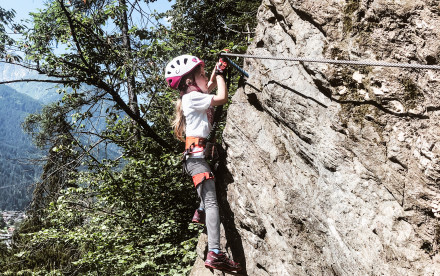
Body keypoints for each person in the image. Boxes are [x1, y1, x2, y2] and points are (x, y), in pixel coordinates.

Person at [165, 55, 242, 272]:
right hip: (197, 160)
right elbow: (222, 97)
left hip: (196, 158)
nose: (205, 76)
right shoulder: (193, 99)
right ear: (190, 81)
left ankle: (199, 210)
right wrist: (222, 77)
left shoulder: (193, 95)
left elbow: (207, 86)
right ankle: (215, 252)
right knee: (212, 203)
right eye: (201, 73)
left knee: (208, 197)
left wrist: (217, 70)